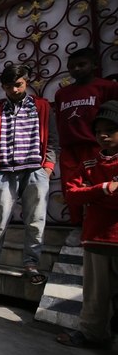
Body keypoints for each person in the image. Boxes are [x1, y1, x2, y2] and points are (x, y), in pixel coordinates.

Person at [0, 64, 59, 285]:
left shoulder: (42, 107)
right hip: (4, 173)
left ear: (26, 82)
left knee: (35, 219)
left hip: (35, 171)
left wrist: (47, 167)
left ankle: (31, 263)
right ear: (3, 87)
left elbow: (53, 139)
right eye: (9, 86)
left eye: (18, 85)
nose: (15, 90)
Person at [56, 100, 118, 349]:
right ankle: (92, 334)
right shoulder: (91, 163)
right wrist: (104, 189)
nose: (103, 135)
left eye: (110, 130)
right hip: (95, 238)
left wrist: (92, 195)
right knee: (95, 295)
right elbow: (71, 193)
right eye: (98, 130)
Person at [54, 47, 118, 246]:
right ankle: (77, 224)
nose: (77, 70)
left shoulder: (106, 87)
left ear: (94, 65)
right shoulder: (62, 93)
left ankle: (99, 222)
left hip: (94, 144)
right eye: (72, 67)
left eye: (82, 65)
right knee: (71, 188)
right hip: (69, 147)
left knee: (99, 183)